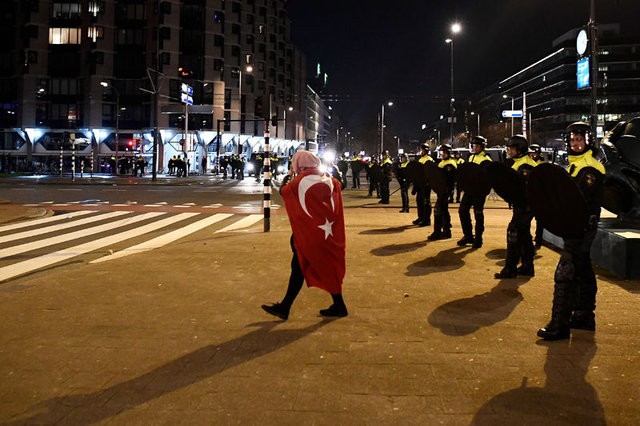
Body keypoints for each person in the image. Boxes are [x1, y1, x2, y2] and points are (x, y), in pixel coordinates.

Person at [537, 122, 606, 340]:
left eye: (580, 140)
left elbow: (578, 200)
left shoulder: (591, 167)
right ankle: (584, 315)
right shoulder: (574, 165)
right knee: (583, 269)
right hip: (575, 226)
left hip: (581, 227)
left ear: (588, 141)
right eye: (573, 140)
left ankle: (560, 324)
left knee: (565, 272)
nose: (576, 144)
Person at [261, 150, 348, 320]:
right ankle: (338, 305)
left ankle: (285, 308)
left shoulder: (299, 181)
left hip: (310, 235)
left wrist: (288, 176)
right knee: (323, 267)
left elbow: (284, 191)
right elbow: (340, 186)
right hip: (327, 233)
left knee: (299, 268)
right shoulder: (329, 178)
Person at [494, 134, 538, 278]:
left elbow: (524, 190)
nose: (509, 151)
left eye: (511, 148)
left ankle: (510, 268)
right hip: (523, 205)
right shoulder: (519, 162)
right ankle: (527, 266)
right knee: (524, 235)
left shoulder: (526, 165)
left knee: (513, 232)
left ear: (519, 149)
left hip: (525, 206)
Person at [457, 136, 492, 248]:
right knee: (462, 210)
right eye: (473, 146)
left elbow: (486, 179)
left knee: (478, 213)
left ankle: (478, 238)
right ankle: (468, 235)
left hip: (479, 191)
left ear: (482, 147)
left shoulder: (486, 160)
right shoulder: (471, 157)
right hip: (469, 190)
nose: (475, 148)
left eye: (477, 146)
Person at [428, 144, 457, 240]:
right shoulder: (443, 162)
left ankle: (438, 232)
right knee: (444, 210)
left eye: (444, 152)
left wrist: (446, 191)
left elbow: (448, 180)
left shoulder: (450, 164)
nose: (442, 154)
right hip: (441, 190)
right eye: (441, 152)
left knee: (438, 210)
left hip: (445, 190)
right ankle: (446, 231)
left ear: (448, 153)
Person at [412, 143, 433, 227]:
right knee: (419, 201)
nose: (421, 151)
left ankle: (427, 219)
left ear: (426, 150)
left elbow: (429, 173)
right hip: (420, 184)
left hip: (426, 184)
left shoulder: (429, 159)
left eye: (422, 150)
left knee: (426, 202)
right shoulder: (421, 159)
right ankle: (420, 217)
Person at [529, 144, 545, 248]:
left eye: (535, 153)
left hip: (540, 195)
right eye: (531, 153)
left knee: (540, 220)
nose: (533, 155)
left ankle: (539, 239)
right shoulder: (528, 164)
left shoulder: (542, 164)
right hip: (531, 195)